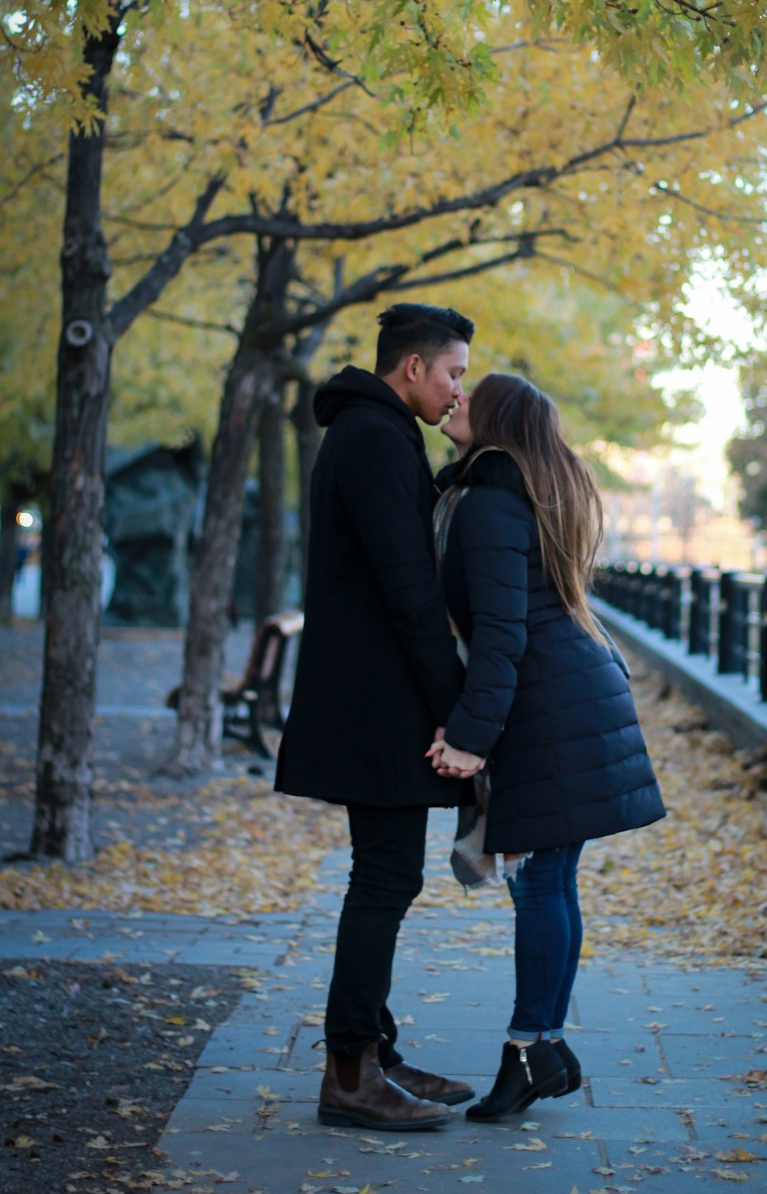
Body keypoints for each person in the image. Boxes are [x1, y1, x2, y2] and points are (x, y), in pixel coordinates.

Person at [427, 373, 666, 1120]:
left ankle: (529, 1052)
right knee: (551, 882)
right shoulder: (516, 494)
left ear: (497, 422)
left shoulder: (492, 503)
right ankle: (545, 1048)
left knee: (539, 885)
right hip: (566, 700)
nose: (457, 397)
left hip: (550, 712)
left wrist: (469, 740)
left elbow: (502, 634)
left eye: (474, 393)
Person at [275, 302, 476, 1132]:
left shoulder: (376, 435)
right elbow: (411, 592)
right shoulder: (372, 438)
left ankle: (374, 1055)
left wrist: (463, 462)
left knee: (385, 874)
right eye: (454, 373)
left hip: (369, 697)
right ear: (413, 368)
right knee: (385, 877)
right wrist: (460, 715)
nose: (459, 390)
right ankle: (351, 1072)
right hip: (376, 702)